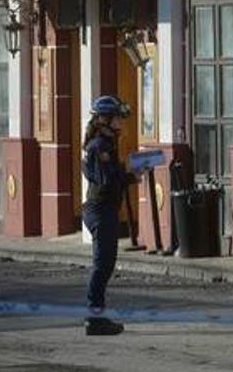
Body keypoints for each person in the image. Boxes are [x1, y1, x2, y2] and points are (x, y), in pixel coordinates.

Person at [81, 95, 134, 336]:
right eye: (117, 118)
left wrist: (129, 172)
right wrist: (131, 175)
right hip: (100, 210)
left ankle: (96, 315)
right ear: (105, 119)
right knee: (102, 266)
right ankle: (94, 317)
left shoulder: (105, 144)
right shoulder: (99, 147)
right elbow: (107, 181)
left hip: (105, 209)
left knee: (106, 264)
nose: (121, 123)